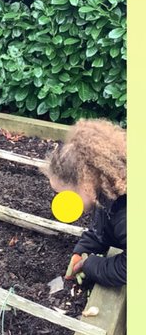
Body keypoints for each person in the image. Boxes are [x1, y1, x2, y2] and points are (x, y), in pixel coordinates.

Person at [47, 119, 126, 289]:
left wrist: (91, 265)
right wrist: (82, 250)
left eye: (65, 194)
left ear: (85, 183)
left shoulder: (126, 213)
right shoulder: (106, 190)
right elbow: (102, 228)